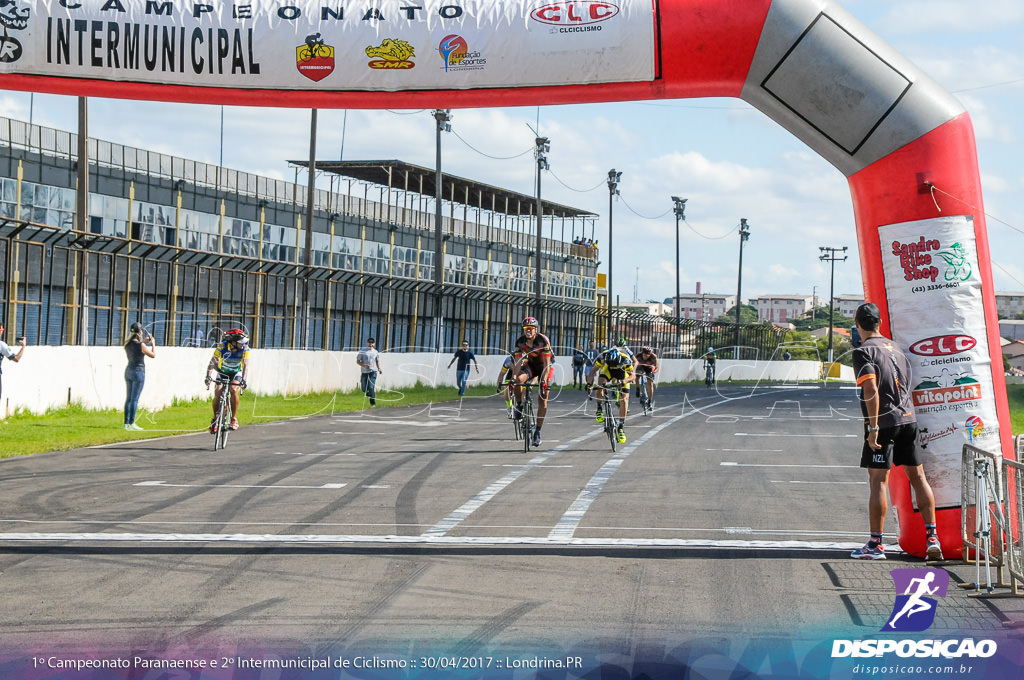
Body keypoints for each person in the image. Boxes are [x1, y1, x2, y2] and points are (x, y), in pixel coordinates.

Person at [850, 302, 942, 561]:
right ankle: (932, 538)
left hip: (885, 423)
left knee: (878, 481)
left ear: (858, 325)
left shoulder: (863, 351)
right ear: (879, 323)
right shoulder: (896, 348)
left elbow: (871, 391)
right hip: (909, 419)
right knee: (919, 478)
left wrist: (873, 427)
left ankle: (876, 544)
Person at [510, 317, 554, 448]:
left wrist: (544, 382)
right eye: (525, 329)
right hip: (531, 366)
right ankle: (519, 405)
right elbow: (518, 363)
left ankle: (538, 432)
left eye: (530, 329)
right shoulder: (520, 342)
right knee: (518, 381)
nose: (527, 331)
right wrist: (513, 380)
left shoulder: (543, 340)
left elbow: (546, 365)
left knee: (543, 397)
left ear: (535, 330)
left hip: (545, 367)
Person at [586, 345, 636, 444]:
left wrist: (623, 382)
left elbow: (633, 376)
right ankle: (599, 408)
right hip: (607, 371)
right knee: (600, 384)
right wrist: (589, 385)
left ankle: (621, 427)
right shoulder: (602, 357)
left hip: (622, 373)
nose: (613, 365)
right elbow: (592, 372)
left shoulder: (625, 360)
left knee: (624, 399)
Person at [204, 328, 250, 432]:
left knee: (233, 390)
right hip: (222, 372)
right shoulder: (222, 346)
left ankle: (234, 419)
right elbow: (213, 361)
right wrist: (208, 376)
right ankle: (215, 419)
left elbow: (246, 365)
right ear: (233, 342)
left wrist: (244, 380)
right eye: (240, 343)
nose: (243, 345)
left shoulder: (245, 348)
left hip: (236, 373)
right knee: (218, 393)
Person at [123, 322, 156, 431]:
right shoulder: (141, 345)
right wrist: (153, 344)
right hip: (138, 372)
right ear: (140, 332)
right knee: (134, 399)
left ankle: (126, 423)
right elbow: (153, 355)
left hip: (129, 371)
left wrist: (144, 341)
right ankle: (131, 423)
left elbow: (137, 345)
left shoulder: (127, 344)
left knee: (128, 398)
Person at [0, 323, 26, 407]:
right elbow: (16, 358)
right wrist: (23, 346)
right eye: (1, 330)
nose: (2, 332)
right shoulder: (2, 345)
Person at [357, 337, 383, 406]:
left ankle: (372, 403)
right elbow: (358, 361)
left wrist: (379, 368)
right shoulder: (362, 351)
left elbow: (377, 361)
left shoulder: (375, 352)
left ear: (374, 344)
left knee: (371, 387)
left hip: (373, 371)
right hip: (364, 371)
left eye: (372, 343)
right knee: (363, 388)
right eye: (369, 342)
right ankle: (368, 393)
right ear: (367, 343)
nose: (370, 344)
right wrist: (364, 365)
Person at [495, 351, 521, 417]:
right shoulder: (508, 361)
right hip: (511, 373)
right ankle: (510, 406)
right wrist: (499, 386)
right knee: (507, 392)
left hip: (521, 373)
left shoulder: (523, 360)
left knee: (523, 390)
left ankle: (523, 405)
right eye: (513, 362)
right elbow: (501, 374)